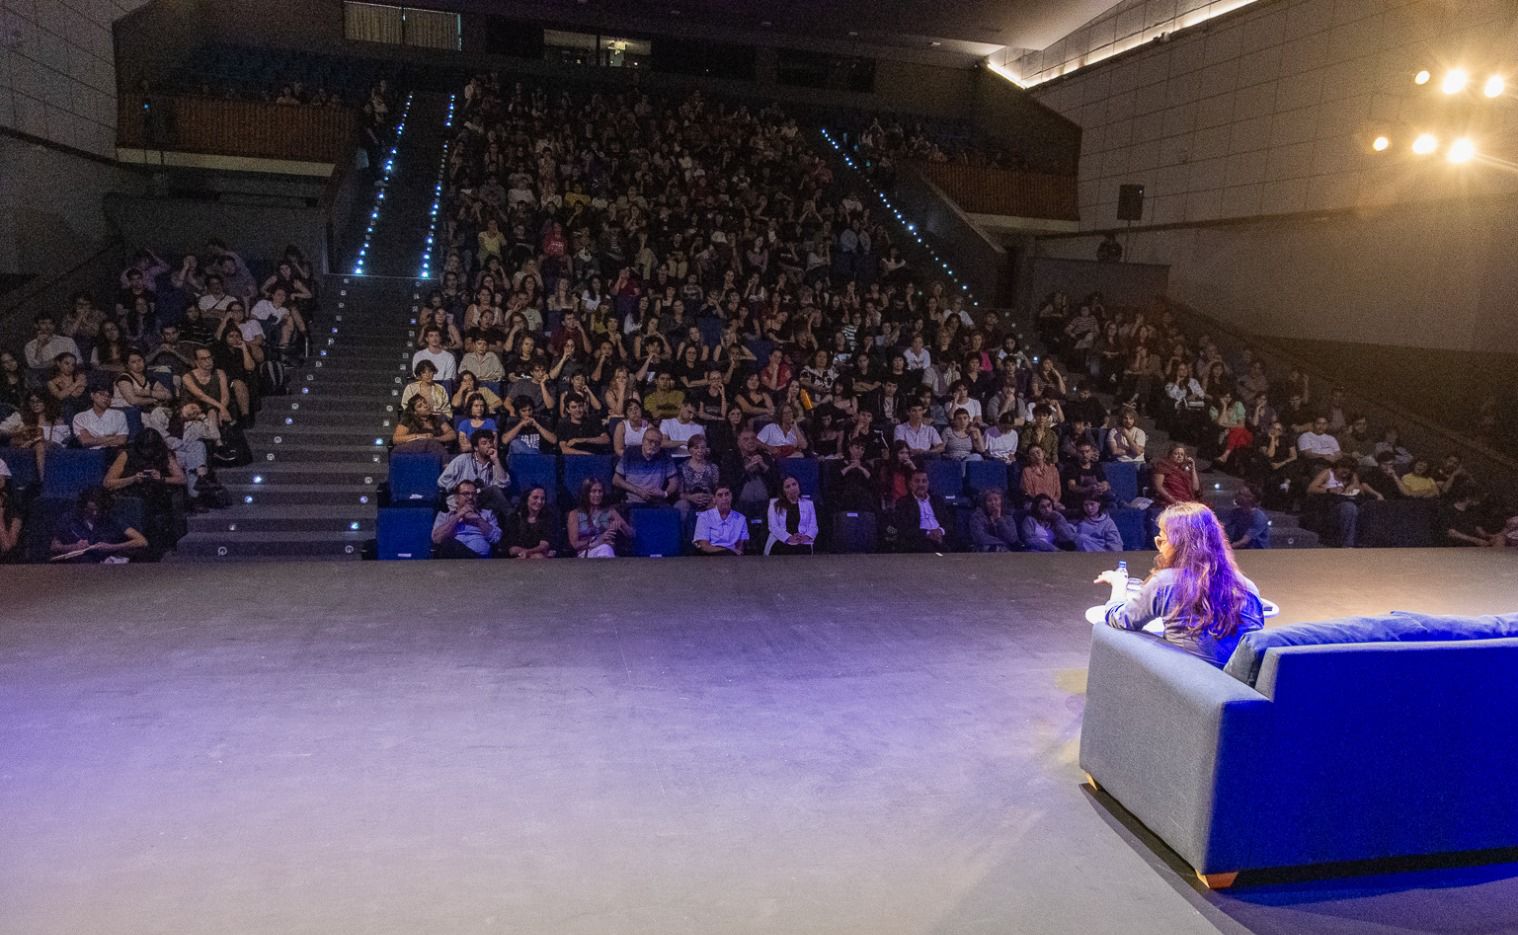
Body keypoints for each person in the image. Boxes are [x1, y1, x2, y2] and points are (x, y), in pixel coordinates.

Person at [1093, 501, 1265, 667]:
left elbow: (1121, 618)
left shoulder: (1166, 582)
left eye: (1162, 541)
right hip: (1234, 687)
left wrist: (1118, 584)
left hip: (1181, 685)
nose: (1159, 548)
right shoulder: (1247, 587)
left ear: (1178, 544)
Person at [103, 428, 188, 556]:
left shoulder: (164, 455)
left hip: (157, 494)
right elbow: (107, 483)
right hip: (131, 495)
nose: (147, 452)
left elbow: (181, 479)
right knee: (137, 505)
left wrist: (162, 478)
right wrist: (133, 479)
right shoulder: (127, 455)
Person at [50, 487, 148, 563]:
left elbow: (141, 541)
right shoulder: (69, 518)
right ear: (83, 507)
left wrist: (112, 547)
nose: (95, 514)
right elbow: (54, 546)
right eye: (90, 510)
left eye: (98, 510)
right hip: (76, 566)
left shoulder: (112, 519)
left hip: (105, 566)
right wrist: (72, 547)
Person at [1306, 456, 1383, 548]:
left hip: (1350, 501)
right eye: (1342, 468)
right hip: (1331, 507)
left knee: (1369, 507)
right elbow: (1310, 489)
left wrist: (1354, 486)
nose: (1345, 472)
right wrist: (1330, 490)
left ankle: (1368, 544)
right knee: (1349, 507)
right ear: (1336, 468)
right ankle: (1348, 545)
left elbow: (1361, 493)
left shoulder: (1352, 475)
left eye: (1348, 469)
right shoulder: (1327, 473)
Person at [437, 429, 511, 516]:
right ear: (476, 447)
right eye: (484, 443)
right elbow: (442, 481)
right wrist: (461, 488)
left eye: (490, 442)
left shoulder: (495, 464)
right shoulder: (463, 459)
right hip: (461, 500)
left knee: (495, 494)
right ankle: (511, 515)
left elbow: (504, 484)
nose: (489, 445)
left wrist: (496, 460)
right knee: (494, 491)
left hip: (482, 502)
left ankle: (510, 518)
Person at [431, 480, 502, 558]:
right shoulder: (444, 516)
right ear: (456, 497)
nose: (471, 497)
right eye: (466, 494)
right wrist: (458, 516)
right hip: (454, 560)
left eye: (474, 494)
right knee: (447, 544)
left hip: (480, 561)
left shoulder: (487, 514)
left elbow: (496, 538)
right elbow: (437, 539)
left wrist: (478, 519)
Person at [567, 478, 633, 558]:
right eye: (593, 491)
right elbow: (575, 544)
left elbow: (631, 534)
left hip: (607, 549)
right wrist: (597, 541)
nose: (597, 495)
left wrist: (622, 525)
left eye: (600, 491)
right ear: (586, 493)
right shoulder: (575, 514)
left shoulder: (610, 512)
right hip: (585, 553)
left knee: (606, 548)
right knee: (605, 549)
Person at [891, 468, 953, 552]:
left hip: (941, 537)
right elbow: (904, 528)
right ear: (910, 484)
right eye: (917, 481)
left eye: (924, 481)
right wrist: (928, 533)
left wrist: (940, 531)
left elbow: (948, 522)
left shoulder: (938, 500)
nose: (921, 484)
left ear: (928, 483)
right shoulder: (903, 503)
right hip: (919, 540)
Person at [613, 427, 678, 506]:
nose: (653, 445)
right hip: (632, 501)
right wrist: (638, 491)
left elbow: (674, 481)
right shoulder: (630, 453)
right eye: (650, 441)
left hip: (656, 502)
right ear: (643, 441)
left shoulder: (665, 455)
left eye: (657, 443)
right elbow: (616, 480)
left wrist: (664, 493)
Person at [765, 475, 818, 555]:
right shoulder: (774, 503)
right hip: (780, 539)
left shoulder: (808, 504)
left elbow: (813, 527)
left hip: (802, 540)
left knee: (802, 549)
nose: (792, 488)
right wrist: (789, 538)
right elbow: (773, 526)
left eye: (794, 484)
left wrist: (806, 537)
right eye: (788, 486)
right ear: (783, 491)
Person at [502, 485, 557, 559]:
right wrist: (530, 554)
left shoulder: (548, 518)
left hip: (539, 558)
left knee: (539, 557)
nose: (539, 501)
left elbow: (544, 545)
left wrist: (527, 552)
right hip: (517, 558)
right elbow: (512, 549)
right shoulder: (514, 518)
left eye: (542, 498)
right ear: (526, 499)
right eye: (535, 497)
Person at [694, 484, 750, 556]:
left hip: (734, 559)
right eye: (720, 495)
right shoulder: (704, 517)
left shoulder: (741, 519)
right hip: (711, 558)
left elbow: (740, 547)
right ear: (714, 499)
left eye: (727, 494)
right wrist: (727, 551)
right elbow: (705, 547)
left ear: (731, 496)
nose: (724, 498)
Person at [72, 385, 130, 450]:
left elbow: (122, 441)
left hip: (114, 451)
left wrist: (95, 440)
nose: (106, 398)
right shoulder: (80, 417)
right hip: (91, 453)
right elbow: (85, 441)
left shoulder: (119, 415)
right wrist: (112, 438)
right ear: (92, 395)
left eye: (109, 396)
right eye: (102, 394)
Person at [967, 488, 1020, 552]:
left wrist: (999, 520)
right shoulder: (977, 517)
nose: (993, 503)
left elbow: (1012, 539)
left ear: (1001, 502)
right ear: (984, 503)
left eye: (996, 500)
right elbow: (980, 537)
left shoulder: (1008, 518)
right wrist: (1001, 543)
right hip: (984, 550)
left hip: (1006, 550)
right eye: (989, 500)